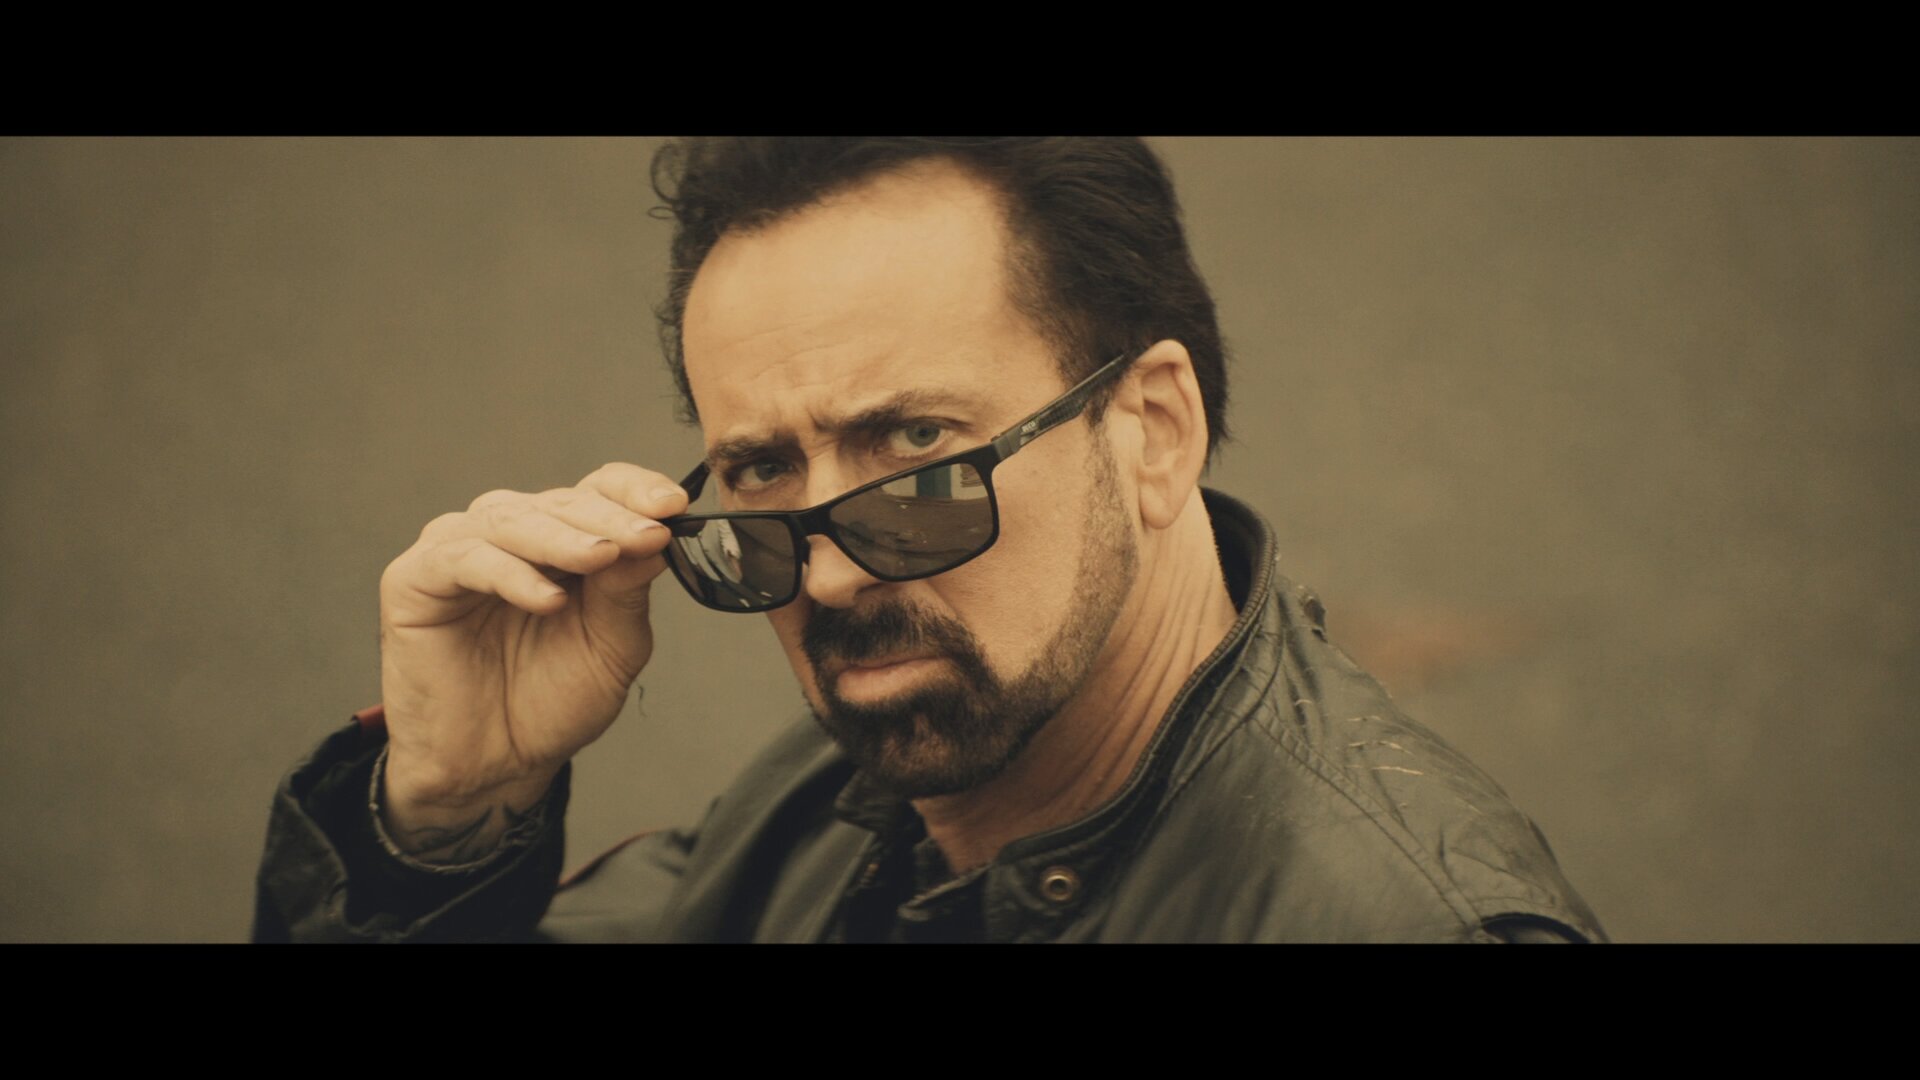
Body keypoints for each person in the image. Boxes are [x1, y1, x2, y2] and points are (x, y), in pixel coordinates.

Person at [253, 137, 1607, 943]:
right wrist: (445, 822)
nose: (831, 571)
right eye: (763, 471)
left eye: (917, 450)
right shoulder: (841, 797)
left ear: (1152, 431)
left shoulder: (1397, 924)